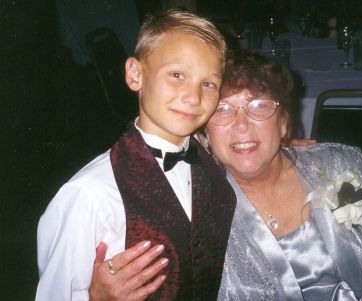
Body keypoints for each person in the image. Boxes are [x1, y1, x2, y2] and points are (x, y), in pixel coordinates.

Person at [90, 50, 362, 300]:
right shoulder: (193, 204)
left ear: (283, 122)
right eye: (222, 110)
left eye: (258, 106)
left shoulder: (338, 166)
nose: (241, 125)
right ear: (203, 133)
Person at [36, 9, 236, 301]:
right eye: (177, 75)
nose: (194, 97)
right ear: (135, 74)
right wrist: (95, 297)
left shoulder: (211, 155)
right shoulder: (89, 195)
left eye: (208, 84)